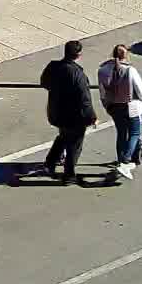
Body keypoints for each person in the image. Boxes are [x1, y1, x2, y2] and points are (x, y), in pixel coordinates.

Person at [36, 40, 95, 184]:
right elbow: (84, 99)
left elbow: (44, 82)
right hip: (74, 116)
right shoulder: (77, 74)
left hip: (56, 111)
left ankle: (50, 162)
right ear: (79, 54)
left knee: (63, 136)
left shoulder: (53, 67)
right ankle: (69, 174)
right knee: (74, 144)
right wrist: (91, 117)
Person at [96, 44, 142, 181]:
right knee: (134, 133)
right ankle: (125, 162)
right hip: (131, 107)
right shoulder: (130, 70)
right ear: (126, 55)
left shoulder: (102, 70)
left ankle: (120, 160)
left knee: (121, 133)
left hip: (113, 107)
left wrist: (107, 107)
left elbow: (102, 94)